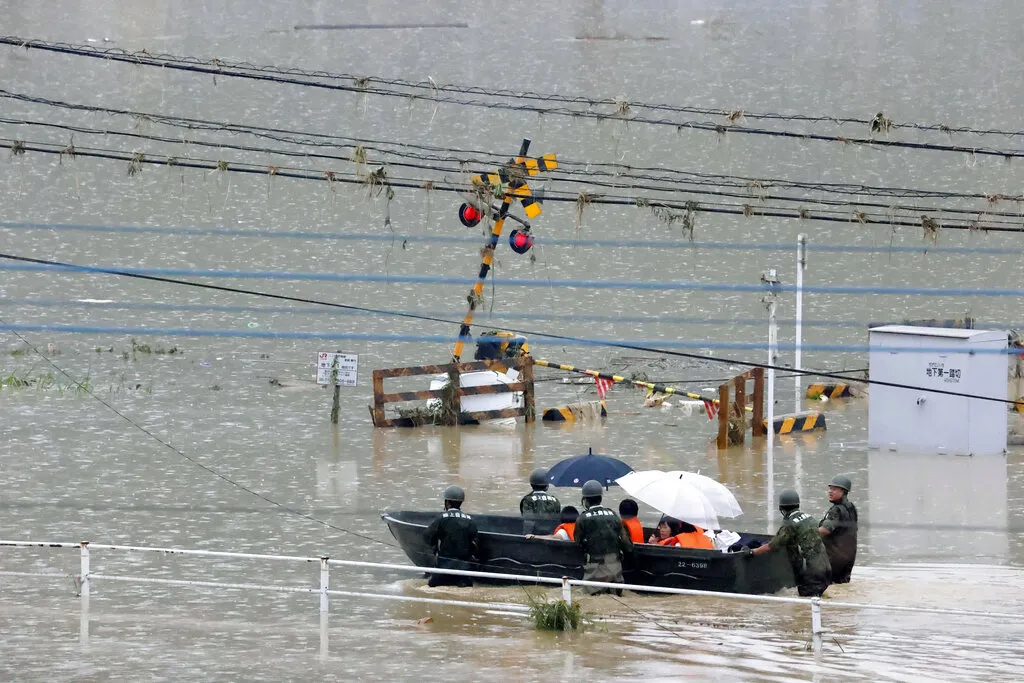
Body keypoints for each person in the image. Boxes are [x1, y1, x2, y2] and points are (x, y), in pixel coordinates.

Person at [750, 489, 831, 597]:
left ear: (781, 508)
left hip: (812, 574)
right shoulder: (810, 518)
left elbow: (771, 546)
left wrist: (752, 552)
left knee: (804, 609)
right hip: (826, 568)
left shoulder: (789, 525)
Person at [575, 479, 633, 595]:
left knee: (590, 600)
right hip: (615, 569)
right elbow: (628, 545)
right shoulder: (613, 515)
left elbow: (578, 542)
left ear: (585, 500)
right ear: (600, 497)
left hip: (594, 570)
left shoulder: (582, 518)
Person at [424, 485, 478, 588]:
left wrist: (435, 547)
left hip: (444, 569)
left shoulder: (442, 518)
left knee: (429, 588)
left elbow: (427, 537)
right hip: (464, 572)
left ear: (447, 502)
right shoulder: (470, 520)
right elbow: (475, 544)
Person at [818, 475, 858, 583]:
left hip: (834, 560)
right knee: (842, 586)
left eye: (834, 489)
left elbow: (826, 530)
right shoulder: (851, 508)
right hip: (848, 559)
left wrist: (807, 532)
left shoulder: (836, 510)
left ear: (843, 492)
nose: (830, 492)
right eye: (830, 489)